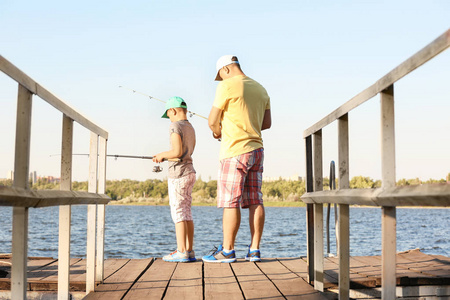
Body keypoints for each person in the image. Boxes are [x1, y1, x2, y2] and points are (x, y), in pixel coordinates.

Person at [202, 55, 271, 263]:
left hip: (234, 151)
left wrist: (218, 132)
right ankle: (254, 250)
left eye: (221, 75)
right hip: (257, 150)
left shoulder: (226, 86)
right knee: (255, 200)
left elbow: (212, 121)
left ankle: (228, 251)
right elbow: (266, 124)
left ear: (226, 70)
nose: (221, 79)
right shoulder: (261, 88)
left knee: (230, 201)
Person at [153, 96, 197, 262]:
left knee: (178, 213)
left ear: (172, 110)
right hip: (190, 172)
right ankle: (189, 250)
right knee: (187, 212)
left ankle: (181, 251)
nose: (169, 119)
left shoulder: (175, 126)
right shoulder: (190, 127)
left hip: (178, 174)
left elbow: (177, 152)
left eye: (168, 115)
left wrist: (161, 155)